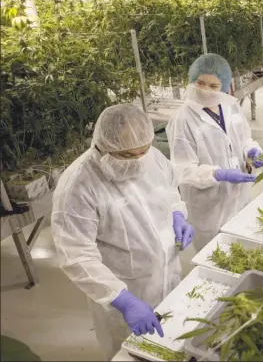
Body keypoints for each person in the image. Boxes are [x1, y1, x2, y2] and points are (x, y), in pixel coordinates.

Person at [51, 105, 194, 360]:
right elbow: (76, 254)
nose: (139, 160)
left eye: (143, 151)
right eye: (127, 155)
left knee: (172, 343)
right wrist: (122, 299)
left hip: (168, 273)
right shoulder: (79, 185)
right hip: (125, 290)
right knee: (129, 352)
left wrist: (177, 214)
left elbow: (170, 187)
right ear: (103, 146)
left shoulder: (152, 156)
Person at [166, 54, 263, 250]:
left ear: (225, 86)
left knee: (242, 245)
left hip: (238, 195)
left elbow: (243, 137)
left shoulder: (230, 107)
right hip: (208, 205)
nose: (205, 90)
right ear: (192, 80)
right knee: (215, 253)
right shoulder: (183, 119)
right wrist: (218, 174)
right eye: (200, 83)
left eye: (213, 86)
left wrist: (251, 150)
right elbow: (183, 169)